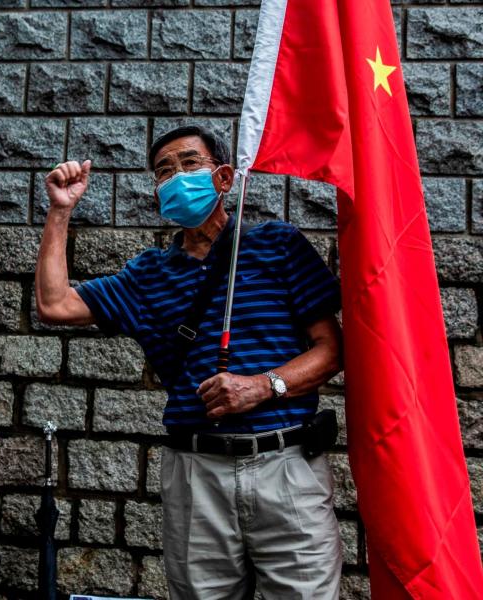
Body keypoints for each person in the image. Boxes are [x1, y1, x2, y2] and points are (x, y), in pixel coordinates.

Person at [36, 125, 344, 599]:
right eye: (164, 171)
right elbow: (55, 304)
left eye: (189, 164)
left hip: (287, 469)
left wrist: (263, 386)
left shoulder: (278, 246)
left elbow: (332, 350)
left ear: (223, 177)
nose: (176, 177)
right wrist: (60, 211)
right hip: (197, 475)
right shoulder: (147, 275)